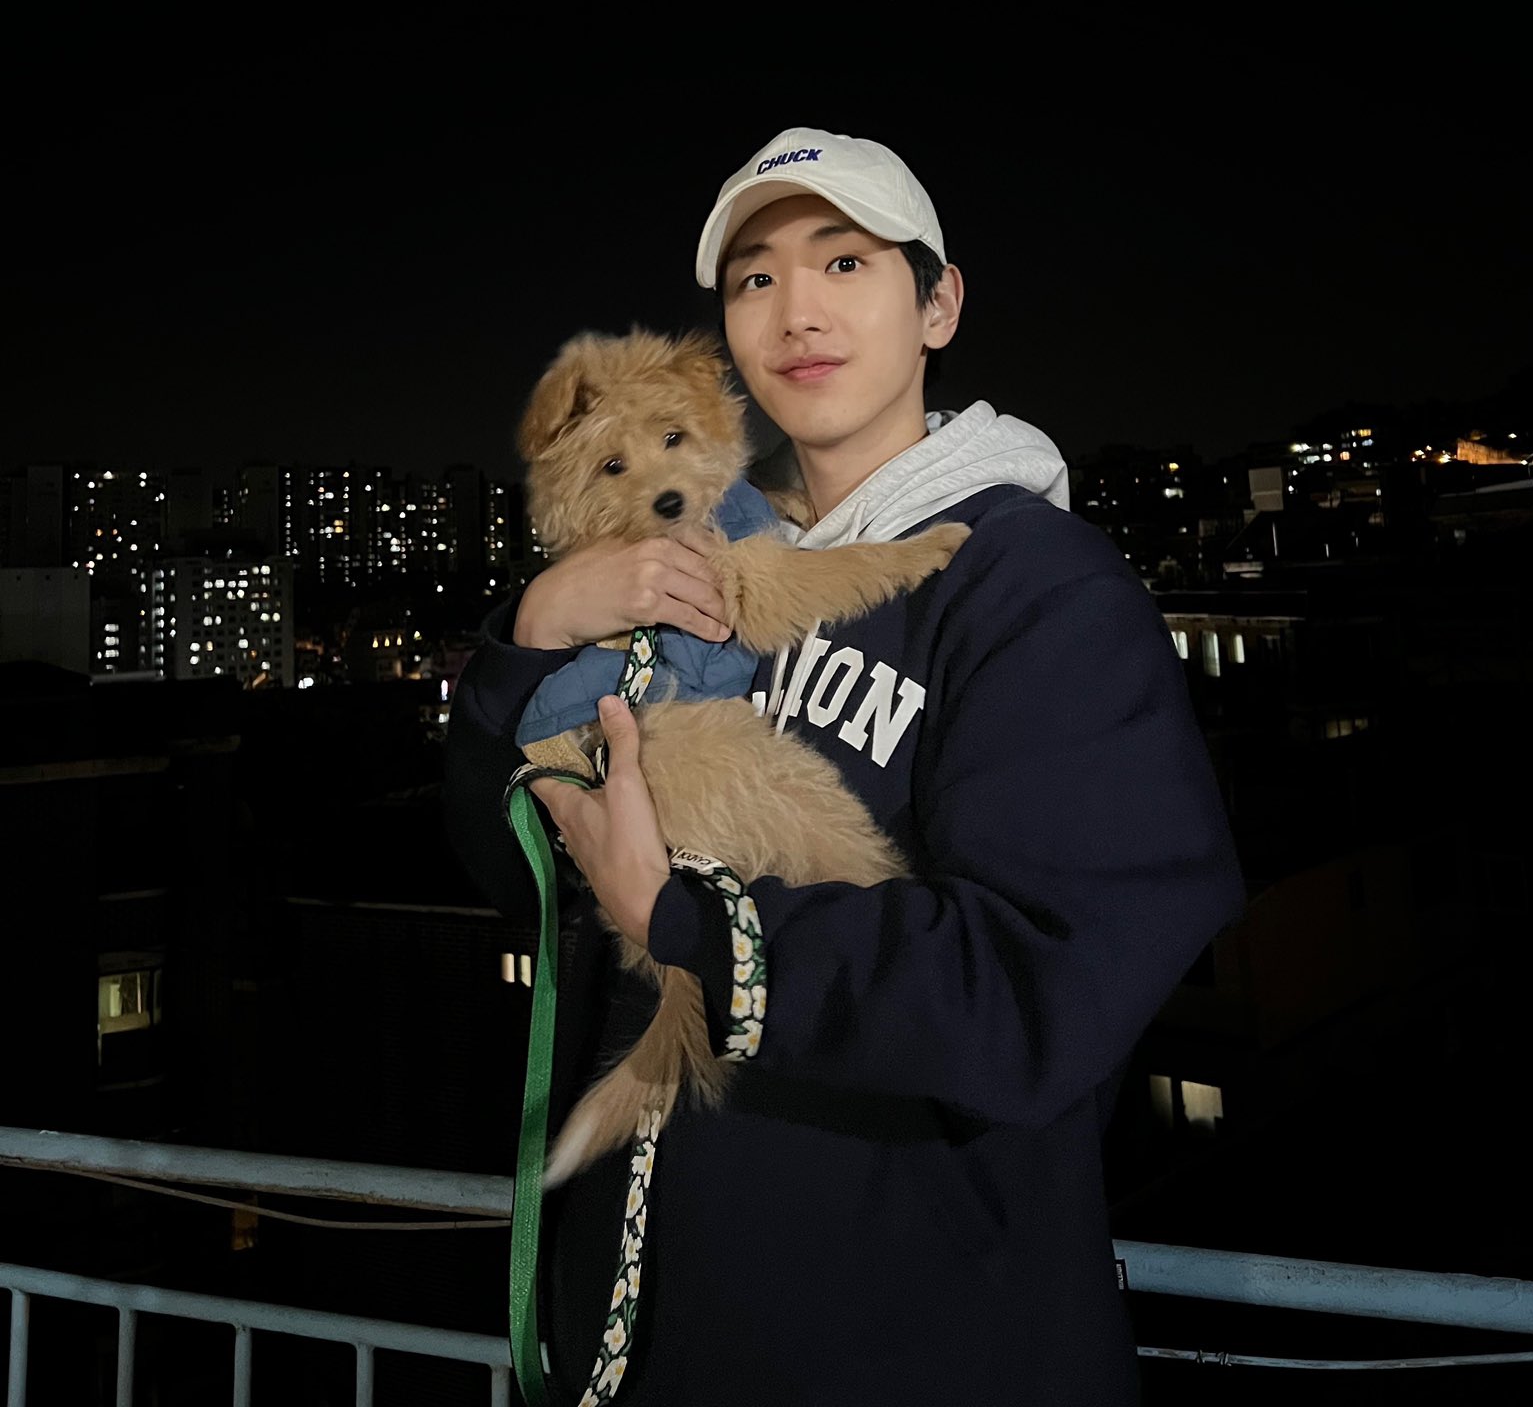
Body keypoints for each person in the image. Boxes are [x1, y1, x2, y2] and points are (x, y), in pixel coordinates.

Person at [444, 126, 1247, 1405]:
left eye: (846, 261)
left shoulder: (1037, 586)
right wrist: (532, 635)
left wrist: (692, 921)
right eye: (755, 278)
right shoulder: (694, 555)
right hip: (652, 1340)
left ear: (938, 304)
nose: (797, 310)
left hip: (918, 1345)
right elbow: (517, 875)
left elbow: (1047, 981)